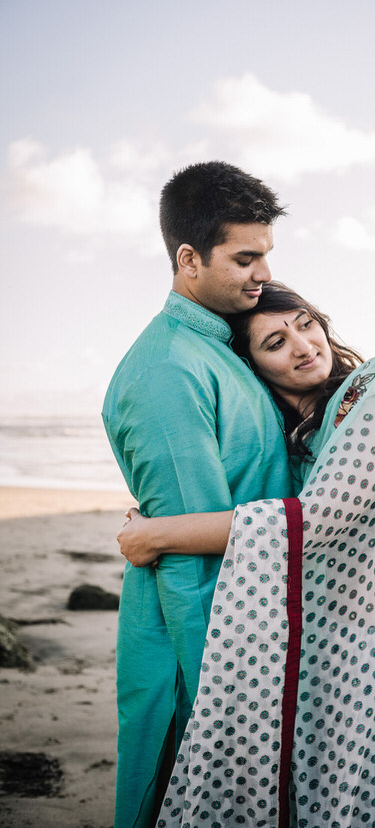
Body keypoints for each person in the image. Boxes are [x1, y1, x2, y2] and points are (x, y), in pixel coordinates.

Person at [118, 282, 375, 826]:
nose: (303, 345)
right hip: (341, 653)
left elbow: (317, 518)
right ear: (254, 369)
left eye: (306, 322)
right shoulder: (293, 442)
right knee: (342, 803)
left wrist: (161, 535)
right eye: (275, 342)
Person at [102, 162, 293, 828]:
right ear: (189, 258)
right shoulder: (168, 371)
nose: (261, 272)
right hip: (197, 665)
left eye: (265, 254)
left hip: (250, 639)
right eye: (245, 257)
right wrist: (230, 704)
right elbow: (192, 567)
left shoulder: (217, 350)